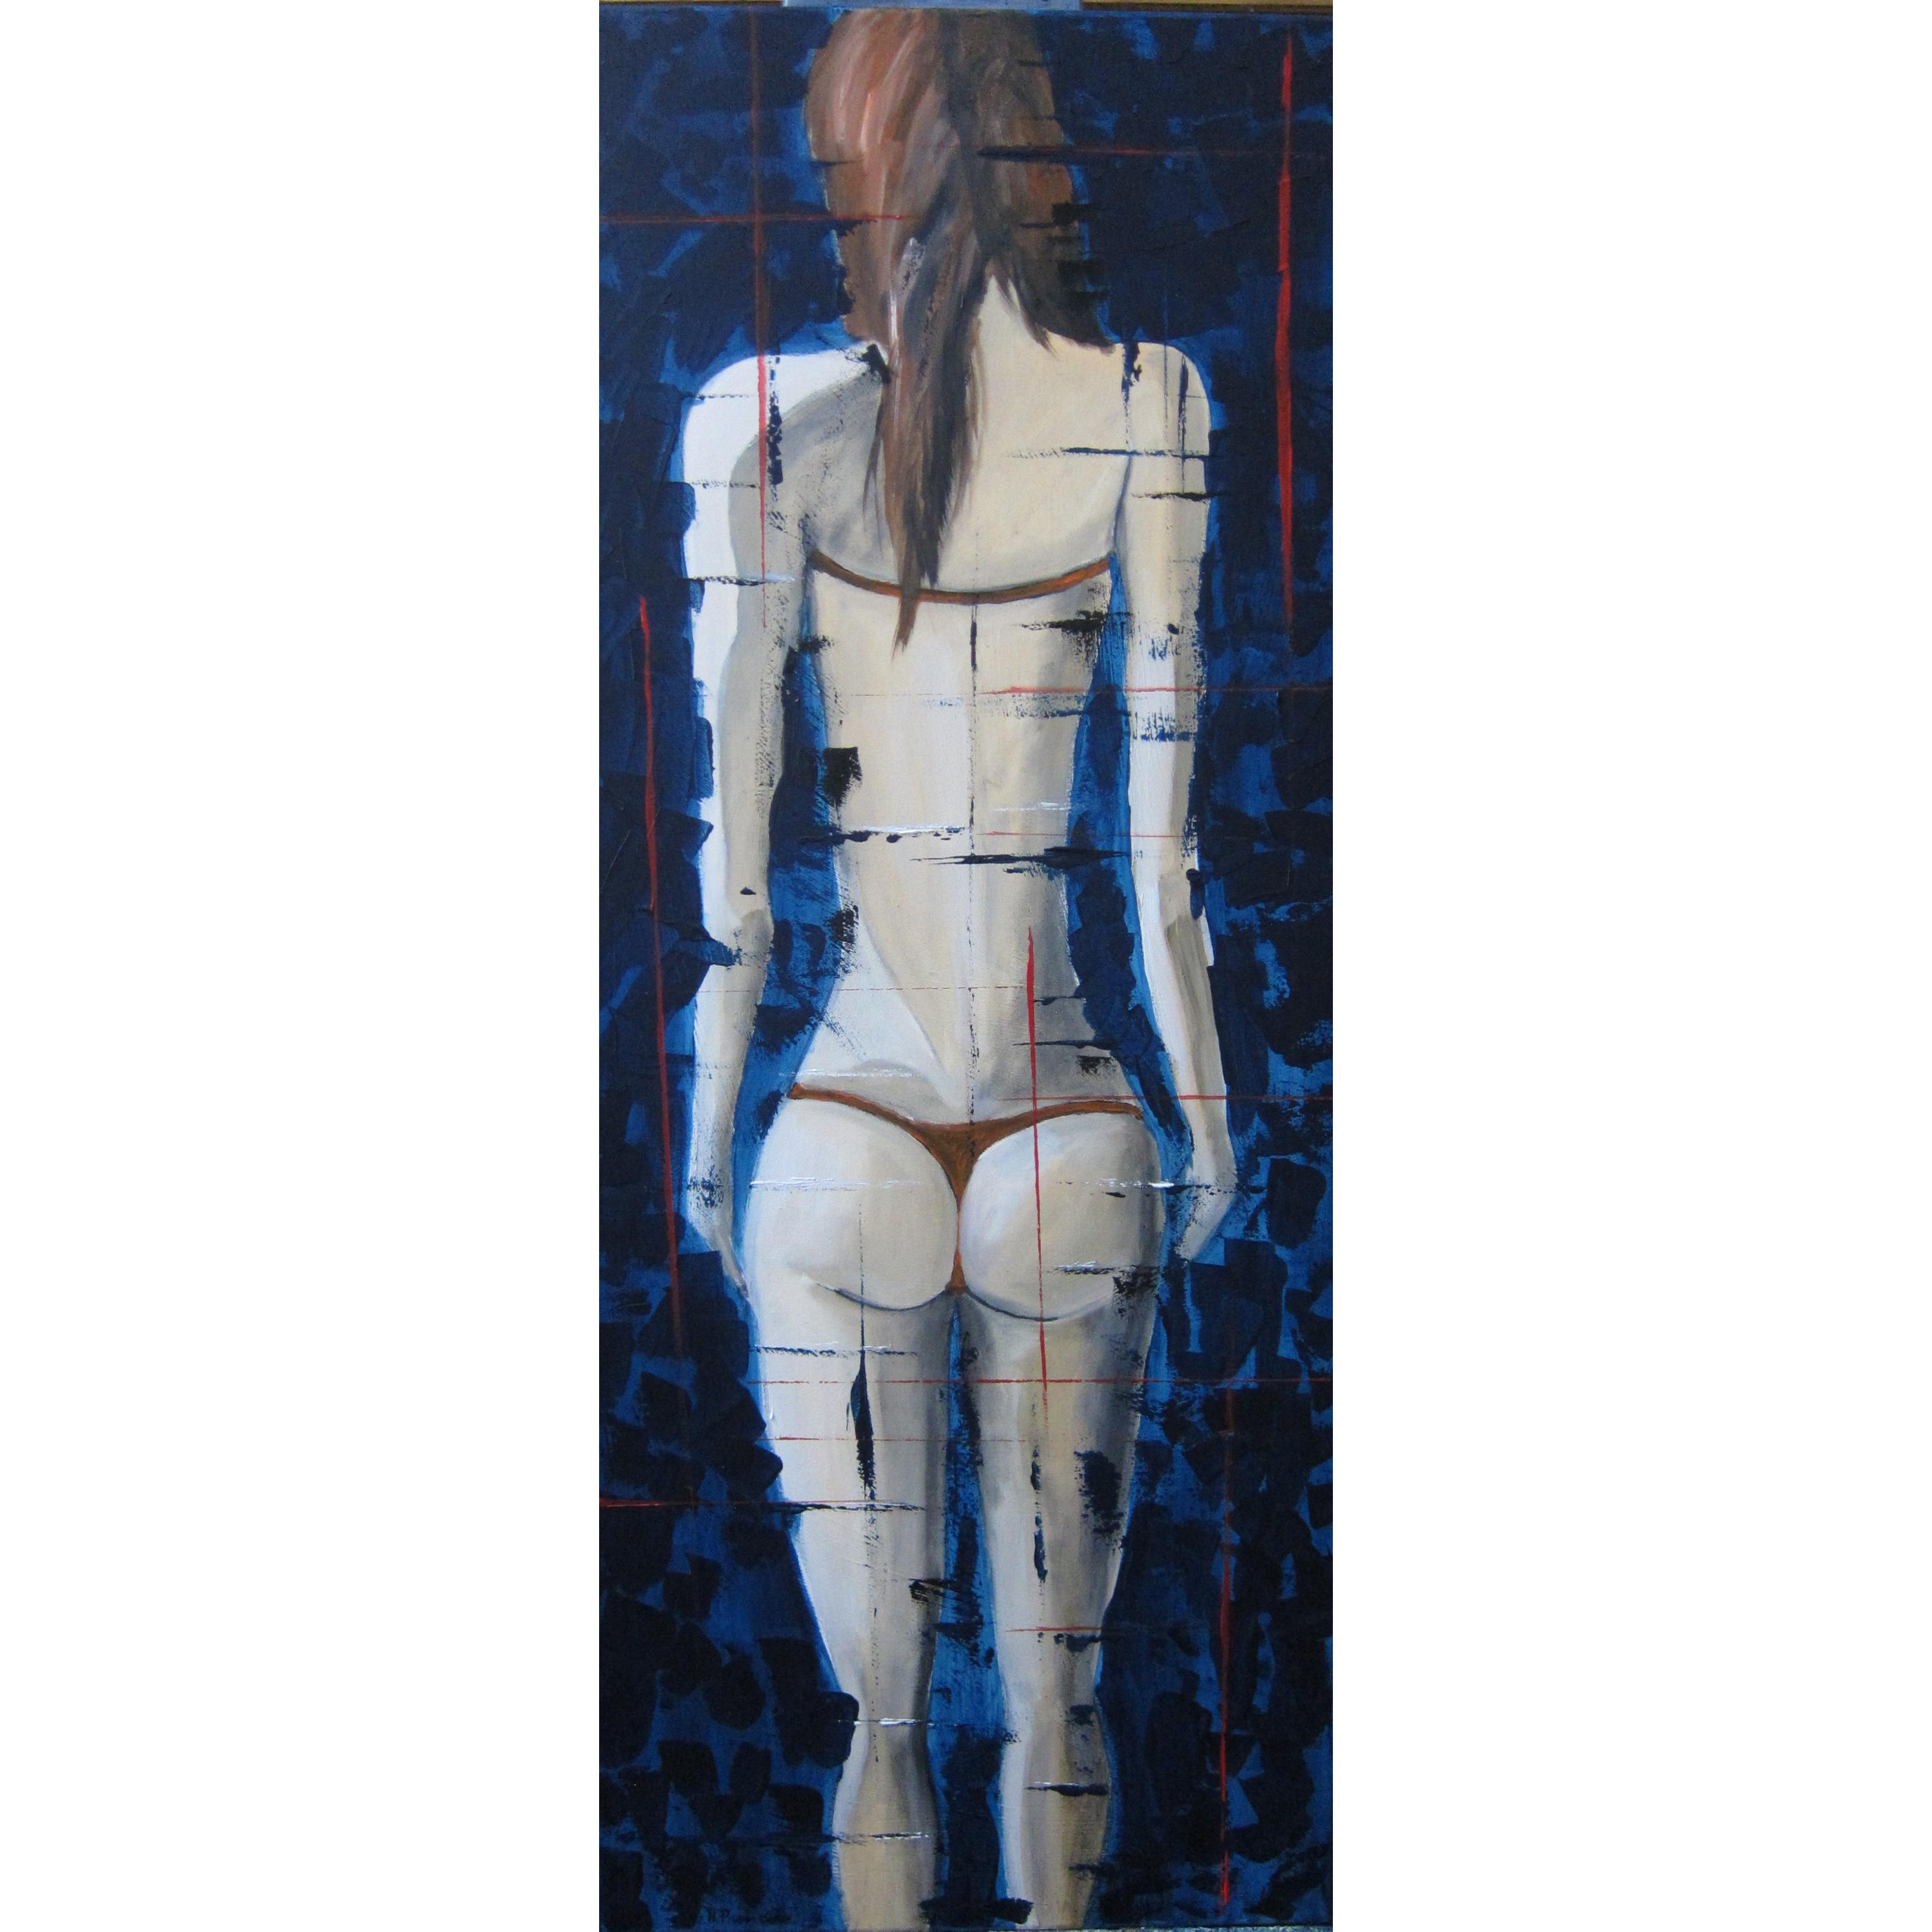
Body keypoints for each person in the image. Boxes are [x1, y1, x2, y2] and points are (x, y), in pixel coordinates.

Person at [681, 12, 1235, 1927]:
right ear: (1035, 153)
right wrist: (1209, 1115)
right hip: (1067, 1118)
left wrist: (707, 1135)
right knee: (1056, 1716)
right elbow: (1159, 859)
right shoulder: (1148, 405)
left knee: (879, 1728)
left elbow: (736, 881)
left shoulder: (760, 429)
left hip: (841, 1124)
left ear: (856, 173)